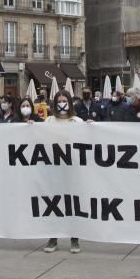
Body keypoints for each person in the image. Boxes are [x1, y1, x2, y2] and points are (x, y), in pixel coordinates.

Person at [43, 90, 89, 254]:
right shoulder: (49, 120)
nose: (62, 104)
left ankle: (74, 238)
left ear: (70, 103)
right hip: (53, 169)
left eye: (64, 100)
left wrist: (91, 127)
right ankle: (53, 237)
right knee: (53, 202)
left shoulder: (77, 121)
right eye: (59, 101)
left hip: (72, 169)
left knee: (73, 202)